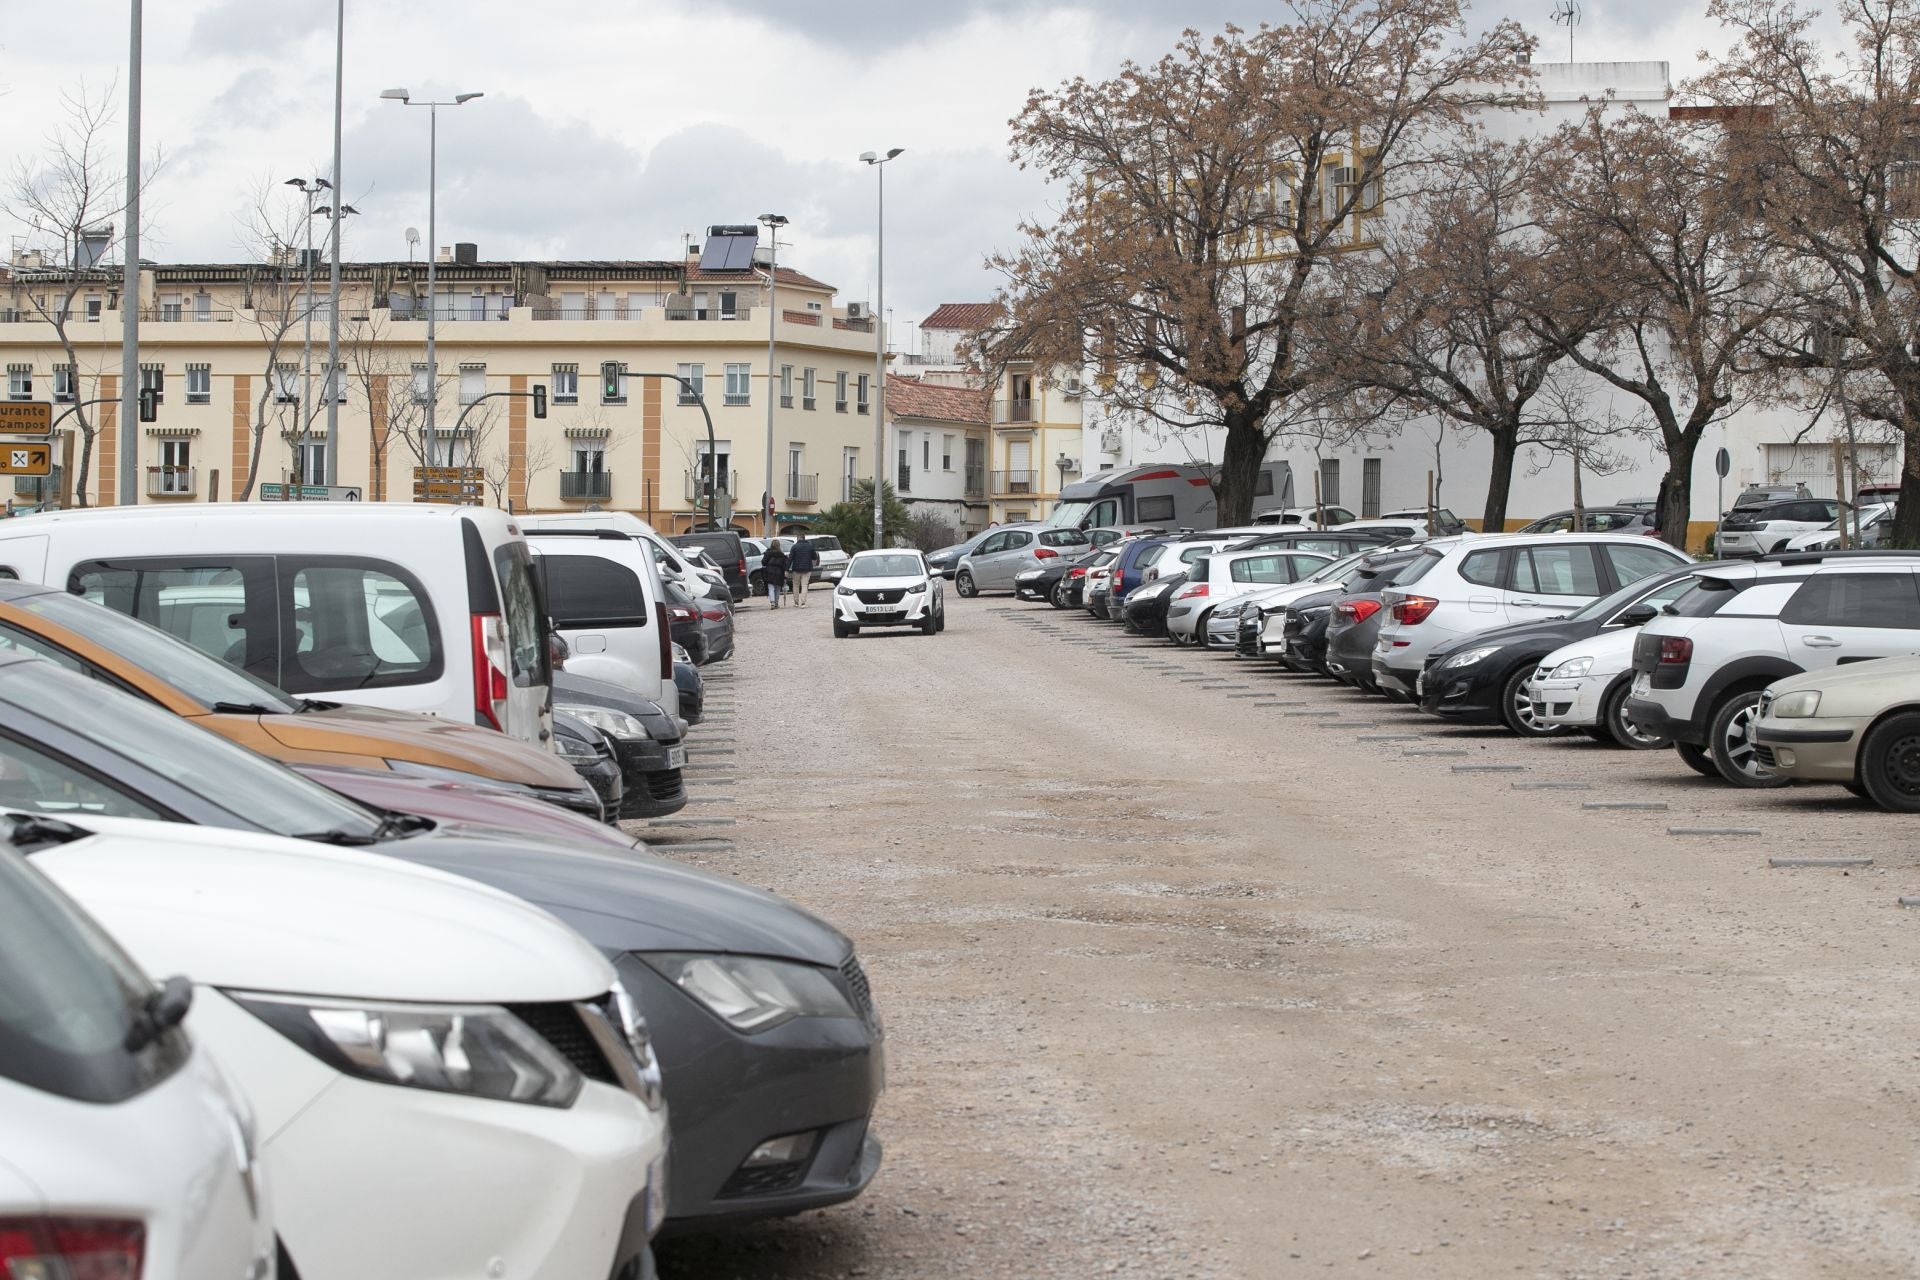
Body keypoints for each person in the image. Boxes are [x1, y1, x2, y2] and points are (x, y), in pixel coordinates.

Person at [787, 534, 816, 606]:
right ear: (804, 538)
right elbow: (814, 557)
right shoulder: (810, 546)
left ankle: (796, 602)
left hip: (796, 569)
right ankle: (803, 603)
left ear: (797, 539)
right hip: (807, 568)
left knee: (795, 585)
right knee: (804, 585)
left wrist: (786, 569)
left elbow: (790, 559)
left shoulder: (794, 547)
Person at [761, 540, 789, 608]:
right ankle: (776, 603)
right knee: (777, 588)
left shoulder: (768, 553)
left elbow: (763, 562)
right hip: (779, 573)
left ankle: (772, 602)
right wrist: (785, 571)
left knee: (771, 588)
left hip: (769, 572)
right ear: (779, 546)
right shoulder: (782, 554)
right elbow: (785, 565)